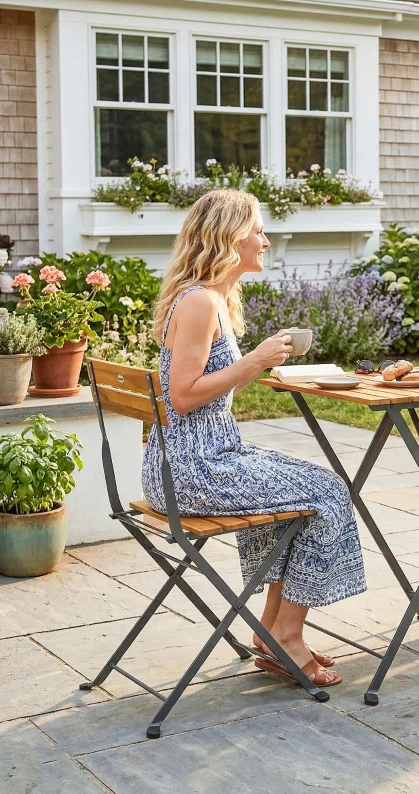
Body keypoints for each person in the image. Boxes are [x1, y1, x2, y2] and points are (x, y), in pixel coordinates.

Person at [142, 189, 366, 687]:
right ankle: (286, 635)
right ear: (229, 237)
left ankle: (272, 632)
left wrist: (256, 367)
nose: (265, 240)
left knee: (306, 485)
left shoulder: (212, 298)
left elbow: (208, 392)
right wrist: (253, 361)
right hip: (190, 470)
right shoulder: (199, 302)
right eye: (258, 230)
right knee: (327, 491)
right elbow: (181, 397)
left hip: (204, 458)